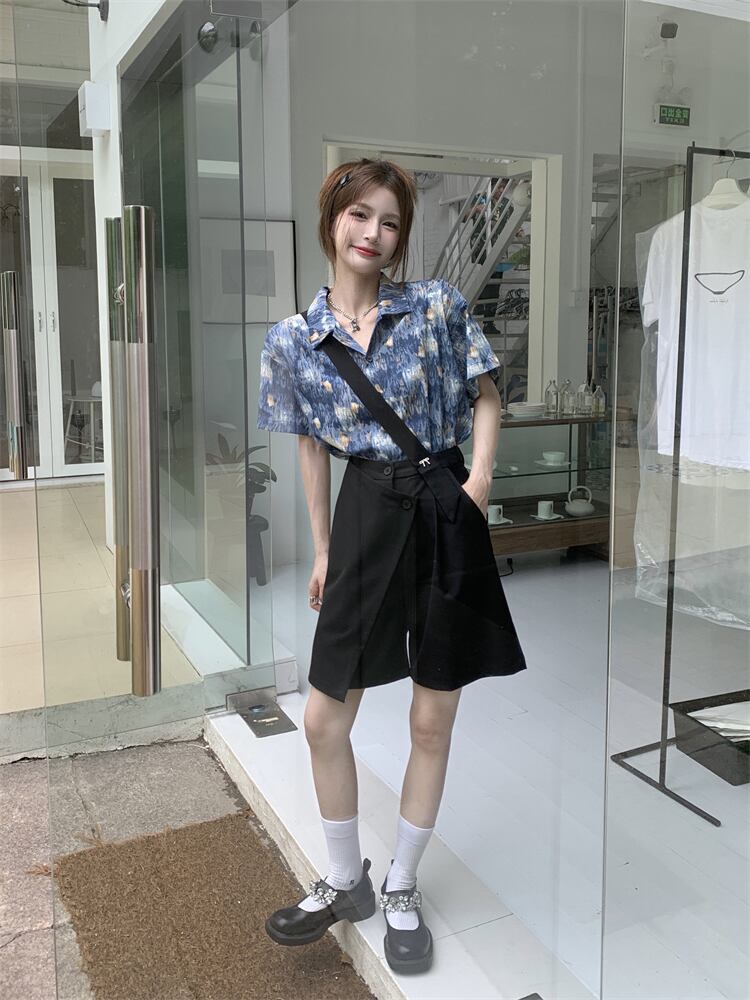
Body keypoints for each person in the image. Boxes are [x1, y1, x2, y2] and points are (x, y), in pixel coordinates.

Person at [257, 158, 526, 975]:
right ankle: (347, 880)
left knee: (430, 719)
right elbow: (311, 446)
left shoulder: (436, 305)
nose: (373, 234)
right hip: (365, 511)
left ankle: (402, 882)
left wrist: (478, 482)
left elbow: (487, 393)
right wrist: (324, 550)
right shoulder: (294, 340)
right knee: (323, 718)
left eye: (391, 222)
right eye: (360, 215)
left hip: (444, 503)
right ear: (332, 219)